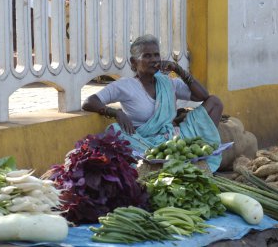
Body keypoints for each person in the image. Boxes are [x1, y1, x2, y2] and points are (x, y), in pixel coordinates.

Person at [82, 34, 224, 171]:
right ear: (134, 62)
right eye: (147, 56)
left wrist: (179, 70)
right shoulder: (125, 85)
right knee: (114, 130)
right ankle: (168, 161)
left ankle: (197, 156)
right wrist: (115, 112)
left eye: (156, 55)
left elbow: (203, 96)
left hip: (174, 138)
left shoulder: (167, 82)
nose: (153, 59)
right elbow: (89, 101)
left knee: (215, 103)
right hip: (143, 142)